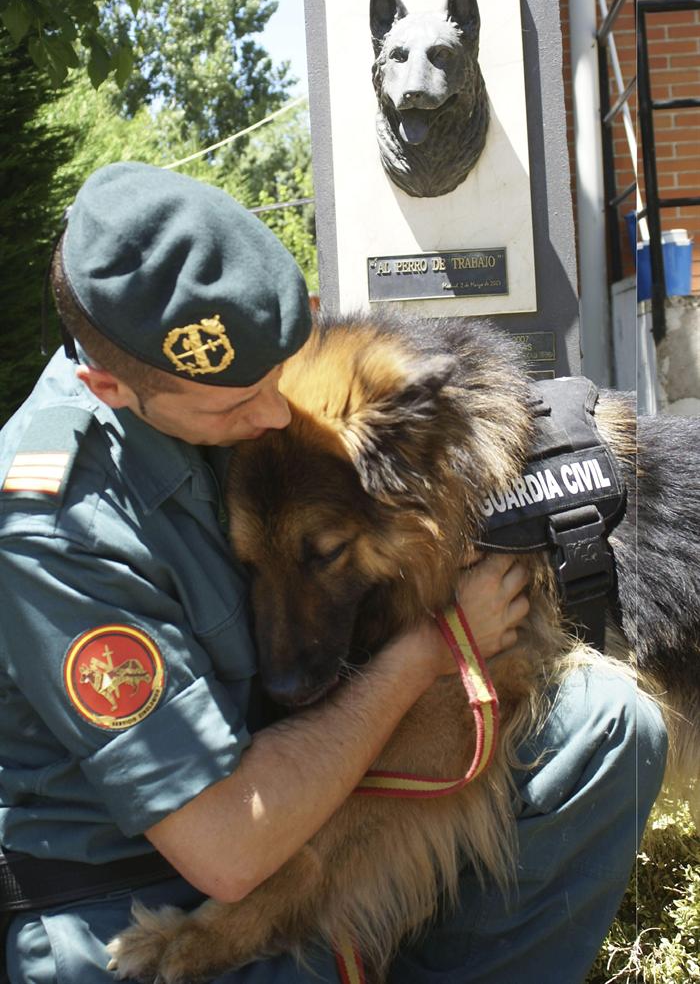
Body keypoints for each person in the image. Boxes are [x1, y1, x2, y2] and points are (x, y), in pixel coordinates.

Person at [0, 163, 666, 984]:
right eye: (234, 406)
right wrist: (430, 650)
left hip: (297, 813)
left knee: (604, 722)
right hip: (144, 914)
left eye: (272, 380)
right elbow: (229, 848)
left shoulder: (221, 406)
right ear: (109, 386)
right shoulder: (59, 526)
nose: (272, 415)